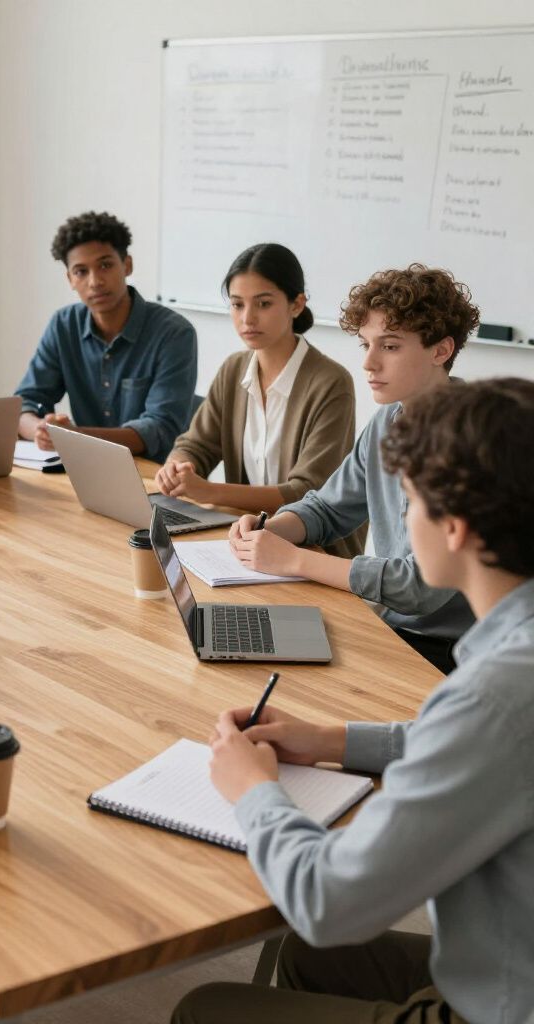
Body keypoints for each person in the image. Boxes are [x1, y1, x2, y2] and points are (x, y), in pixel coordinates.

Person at [172, 377, 534, 1024]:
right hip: (512, 954)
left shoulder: (494, 691)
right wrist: (333, 740)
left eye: (409, 502)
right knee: (310, 958)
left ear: (454, 528)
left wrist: (253, 790)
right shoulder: (511, 662)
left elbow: (327, 900)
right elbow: (494, 744)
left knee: (207, 1007)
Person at [229, 264, 479, 672]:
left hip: (454, 653)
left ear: (441, 350)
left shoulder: (470, 443)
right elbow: (328, 508)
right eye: (366, 344)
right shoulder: (388, 421)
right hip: (391, 627)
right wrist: (271, 530)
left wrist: (292, 560)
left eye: (390, 347)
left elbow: (420, 587)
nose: (369, 363)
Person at [156, 243, 361, 557]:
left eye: (263, 304)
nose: (247, 318)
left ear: (297, 304)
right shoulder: (234, 370)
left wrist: (208, 491)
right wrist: (177, 467)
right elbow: (196, 445)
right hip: (245, 543)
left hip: (314, 552)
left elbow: (306, 492)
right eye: (237, 304)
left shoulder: (331, 382)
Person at [15, 210, 197, 463]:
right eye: (81, 271)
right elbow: (24, 404)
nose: (95, 281)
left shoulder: (174, 333)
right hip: (85, 467)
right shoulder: (63, 326)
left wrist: (74, 437)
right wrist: (41, 431)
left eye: (105, 265)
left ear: (127, 265)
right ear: (70, 279)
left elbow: (160, 428)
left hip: (154, 474)